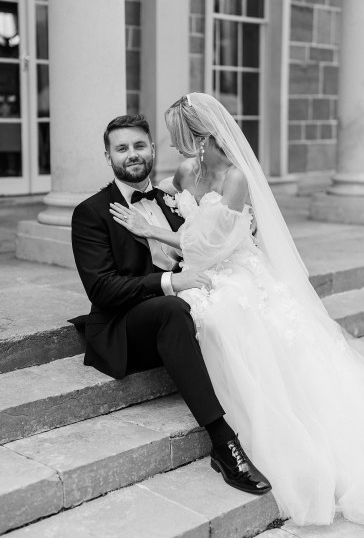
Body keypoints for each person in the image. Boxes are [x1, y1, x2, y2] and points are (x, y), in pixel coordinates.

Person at [109, 93, 364, 527]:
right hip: (202, 268)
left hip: (235, 267)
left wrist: (151, 231)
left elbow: (212, 245)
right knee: (193, 305)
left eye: (178, 136)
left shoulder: (236, 177)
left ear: (201, 135)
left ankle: (250, 431)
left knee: (226, 312)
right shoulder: (189, 169)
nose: (172, 145)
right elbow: (160, 197)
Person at [70, 113, 271, 497]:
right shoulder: (91, 212)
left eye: (139, 145)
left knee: (237, 301)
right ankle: (224, 443)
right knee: (174, 308)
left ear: (153, 149)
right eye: (122, 148)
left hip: (175, 315)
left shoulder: (172, 200)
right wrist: (171, 282)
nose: (132, 154)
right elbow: (103, 290)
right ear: (108, 156)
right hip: (125, 323)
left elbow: (207, 240)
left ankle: (265, 414)